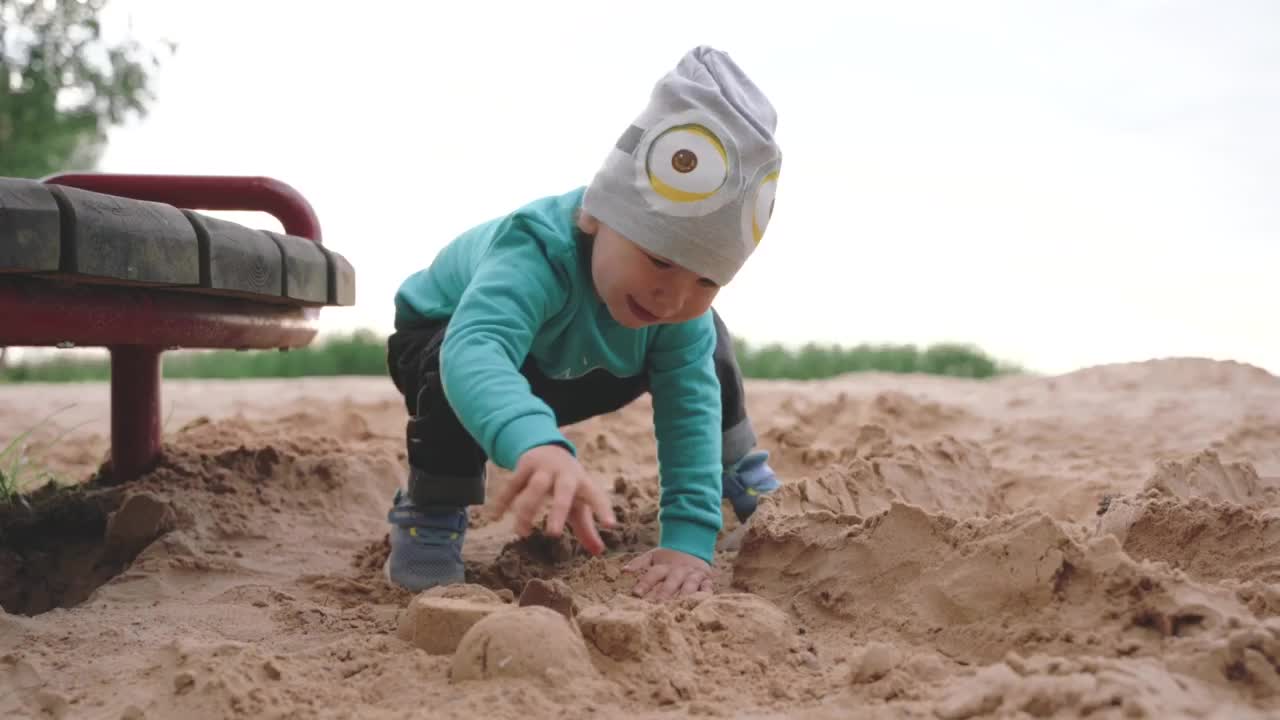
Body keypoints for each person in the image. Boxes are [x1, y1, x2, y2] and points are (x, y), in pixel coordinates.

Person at [383, 45, 783, 602]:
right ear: (597, 215)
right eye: (660, 259)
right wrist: (535, 443)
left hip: (578, 361)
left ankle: (736, 464)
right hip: (452, 343)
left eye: (708, 280)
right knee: (451, 359)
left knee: (705, 339)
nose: (673, 295)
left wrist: (689, 539)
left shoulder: (671, 303)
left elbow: (688, 407)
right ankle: (431, 508)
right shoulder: (535, 250)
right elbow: (476, 350)